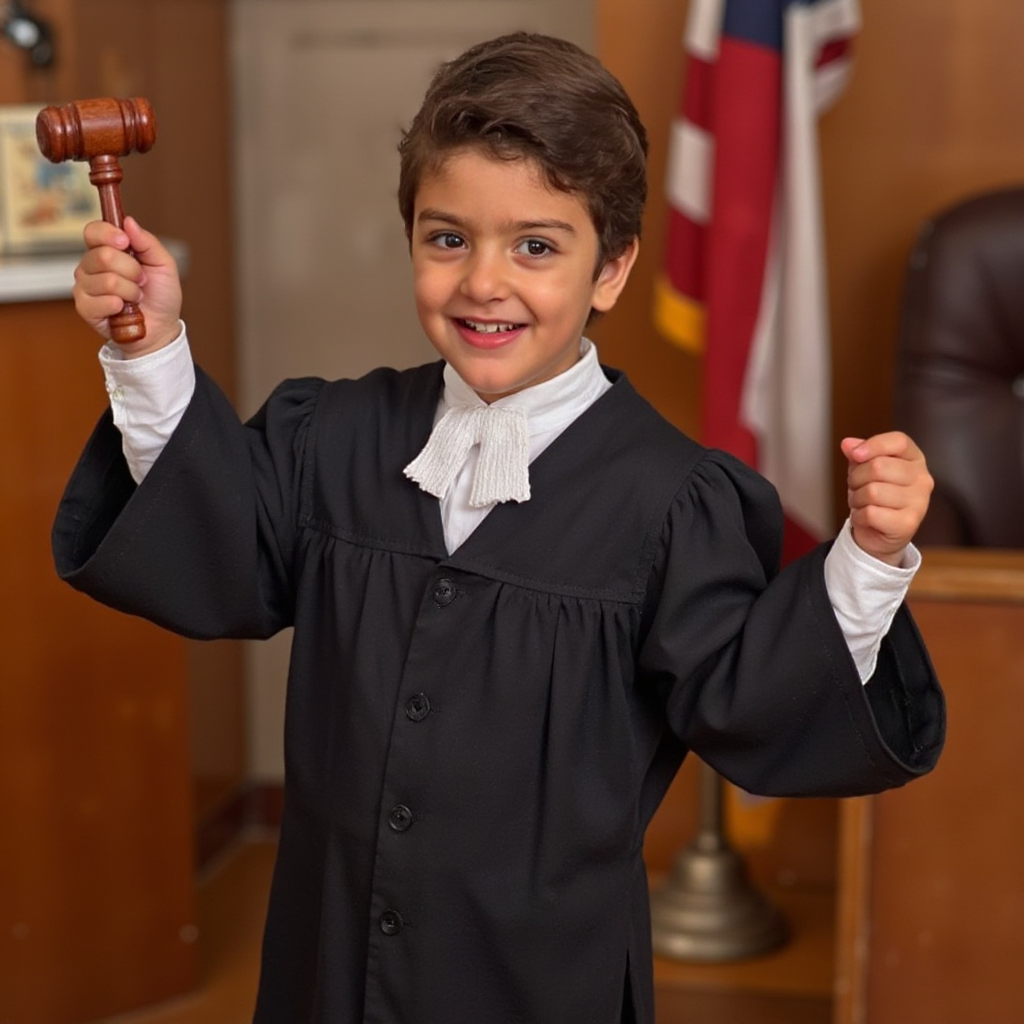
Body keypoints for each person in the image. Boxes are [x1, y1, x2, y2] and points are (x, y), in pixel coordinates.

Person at [55, 32, 944, 1024]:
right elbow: (218, 548)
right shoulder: (335, 435)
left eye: (535, 245)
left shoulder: (671, 500)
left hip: (538, 985)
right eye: (447, 238)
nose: (483, 281)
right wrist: (154, 349)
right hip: (329, 965)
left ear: (610, 269)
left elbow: (755, 702)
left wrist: (866, 556)